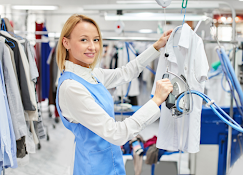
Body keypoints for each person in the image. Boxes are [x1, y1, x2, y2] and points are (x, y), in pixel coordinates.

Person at [55, 14, 173, 175]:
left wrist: (155, 48)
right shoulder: (71, 88)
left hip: (111, 162)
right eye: (84, 40)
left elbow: (125, 73)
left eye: (96, 40)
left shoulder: (92, 74)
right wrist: (156, 101)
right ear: (66, 42)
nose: (93, 47)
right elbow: (116, 133)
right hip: (93, 168)